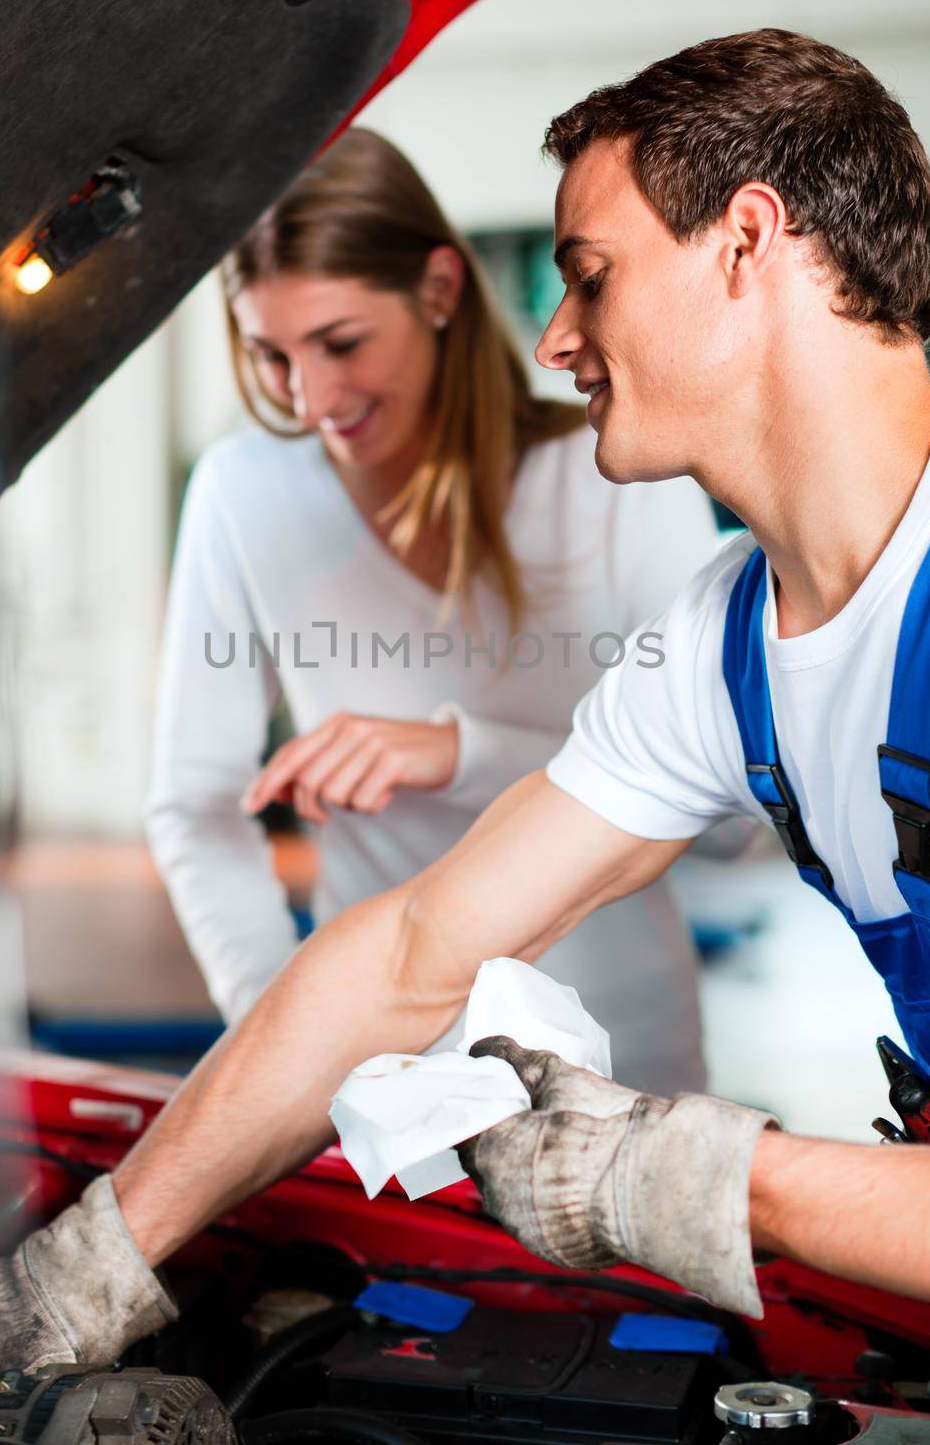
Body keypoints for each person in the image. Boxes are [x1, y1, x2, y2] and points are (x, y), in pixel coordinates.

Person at [0, 28, 930, 1395]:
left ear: (744, 244)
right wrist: (90, 1265)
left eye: (589, 277)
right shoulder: (725, 642)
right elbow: (412, 949)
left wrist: (695, 1176)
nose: (554, 336)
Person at [145, 126, 723, 1093]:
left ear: (439, 290)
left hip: (618, 1052)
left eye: (340, 343)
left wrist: (453, 753)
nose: (310, 396)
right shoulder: (242, 491)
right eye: (271, 354)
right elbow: (195, 802)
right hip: (379, 1062)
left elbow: (716, 798)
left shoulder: (613, 475)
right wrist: (274, 1027)